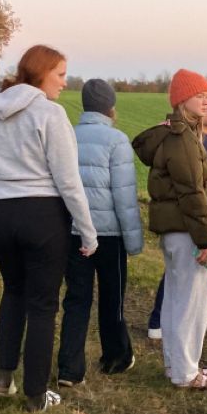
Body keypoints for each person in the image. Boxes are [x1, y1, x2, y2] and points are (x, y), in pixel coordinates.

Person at [0, 44, 96, 412]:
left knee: (12, 292)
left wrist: (2, 191)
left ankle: (3, 379)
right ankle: (36, 395)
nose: (65, 82)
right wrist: (87, 230)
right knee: (43, 305)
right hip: (42, 214)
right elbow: (68, 179)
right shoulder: (50, 113)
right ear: (41, 72)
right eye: (60, 74)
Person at [133, 69, 207, 389]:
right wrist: (206, 240)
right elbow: (192, 193)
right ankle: (187, 373)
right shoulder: (183, 138)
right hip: (188, 232)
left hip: (176, 232)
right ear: (181, 100)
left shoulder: (177, 135)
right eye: (199, 95)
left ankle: (176, 366)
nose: (206, 100)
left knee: (175, 300)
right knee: (191, 304)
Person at [57, 79, 144, 386]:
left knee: (76, 299)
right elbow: (123, 196)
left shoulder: (67, 135)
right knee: (112, 298)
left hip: (73, 231)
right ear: (111, 105)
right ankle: (115, 358)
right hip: (109, 236)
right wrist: (133, 242)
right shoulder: (117, 140)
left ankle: (69, 368)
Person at [146, 95, 207, 337]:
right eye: (204, 105)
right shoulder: (198, 142)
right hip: (205, 217)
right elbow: (195, 187)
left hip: (205, 215)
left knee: (182, 270)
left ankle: (157, 321)